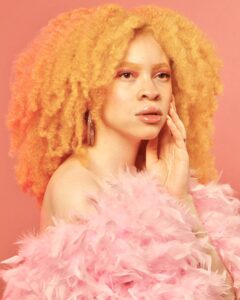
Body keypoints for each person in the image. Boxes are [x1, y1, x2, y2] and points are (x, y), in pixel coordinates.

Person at [1, 4, 239, 299]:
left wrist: (182, 201)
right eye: (127, 74)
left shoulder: (161, 178)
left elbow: (227, 294)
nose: (150, 90)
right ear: (90, 88)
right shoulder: (78, 190)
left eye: (161, 75)